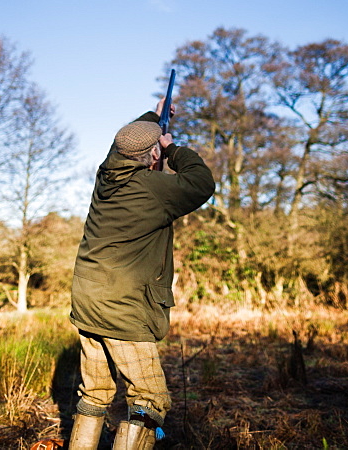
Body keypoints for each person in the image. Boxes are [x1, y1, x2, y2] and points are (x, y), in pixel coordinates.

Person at [68, 97, 215, 450]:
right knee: (149, 400)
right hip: (123, 309)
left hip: (88, 302)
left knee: (97, 392)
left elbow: (124, 142)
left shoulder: (107, 174)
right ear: (153, 156)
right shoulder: (152, 190)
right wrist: (173, 148)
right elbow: (201, 182)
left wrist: (155, 117)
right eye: (157, 151)